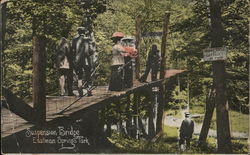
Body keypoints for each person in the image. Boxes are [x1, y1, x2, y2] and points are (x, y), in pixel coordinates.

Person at [71, 27, 92, 96]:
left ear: (78, 32)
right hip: (86, 60)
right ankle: (89, 90)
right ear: (84, 32)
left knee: (79, 74)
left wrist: (74, 59)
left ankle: (80, 88)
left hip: (78, 60)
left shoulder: (74, 40)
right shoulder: (88, 39)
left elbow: (73, 50)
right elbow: (91, 50)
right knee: (88, 74)